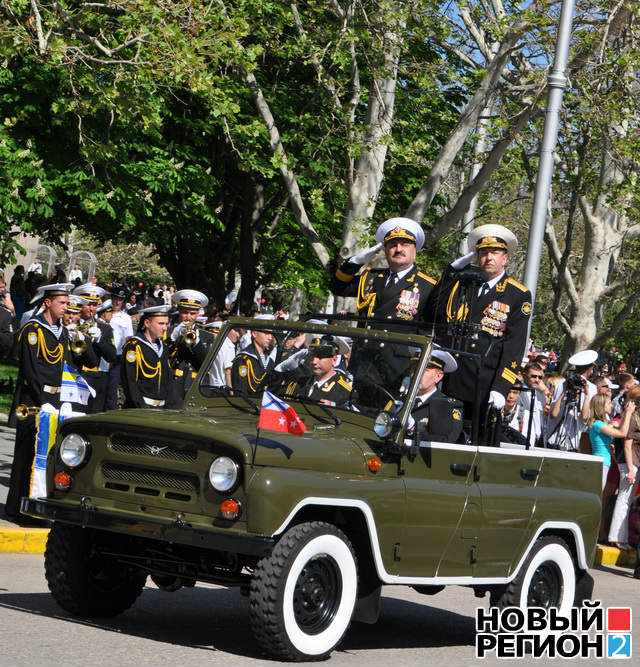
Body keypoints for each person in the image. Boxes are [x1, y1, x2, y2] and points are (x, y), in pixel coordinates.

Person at [426, 224, 532, 412]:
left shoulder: (517, 294)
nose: (488, 258)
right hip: (449, 377)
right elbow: (433, 310)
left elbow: (513, 347)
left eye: (494, 253)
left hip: (483, 383)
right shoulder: (465, 284)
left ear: (505, 258)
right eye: (483, 253)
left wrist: (501, 387)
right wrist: (450, 273)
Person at [4, 283, 74, 524]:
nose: (66, 307)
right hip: (34, 401)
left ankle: (36, 506)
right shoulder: (33, 330)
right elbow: (32, 370)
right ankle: (16, 507)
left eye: (67, 303)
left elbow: (66, 366)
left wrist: (64, 399)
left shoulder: (61, 332)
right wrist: (45, 400)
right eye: (62, 303)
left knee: (47, 457)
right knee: (26, 455)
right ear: (48, 303)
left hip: (54, 400)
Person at [330, 217, 436, 324]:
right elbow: (338, 288)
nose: (398, 249)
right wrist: (354, 262)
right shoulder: (371, 277)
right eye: (393, 245)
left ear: (414, 251)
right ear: (385, 252)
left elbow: (429, 328)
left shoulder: (429, 286)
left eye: (405, 244)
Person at [120, 305, 174, 408]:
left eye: (166, 324)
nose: (165, 328)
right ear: (147, 323)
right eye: (161, 323)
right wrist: (140, 406)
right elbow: (129, 381)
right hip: (141, 407)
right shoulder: (134, 346)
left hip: (161, 407)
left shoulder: (164, 347)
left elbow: (168, 381)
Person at [74, 284, 117, 413]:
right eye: (88, 304)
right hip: (76, 375)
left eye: (94, 304)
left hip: (96, 378)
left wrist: (99, 340)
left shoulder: (104, 328)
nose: (92, 308)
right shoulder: (72, 324)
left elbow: (111, 356)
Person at [608, 385, 640, 551]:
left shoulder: (634, 418)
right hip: (629, 463)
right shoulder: (633, 419)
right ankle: (617, 537)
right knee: (624, 500)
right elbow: (627, 445)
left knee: (626, 500)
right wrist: (631, 469)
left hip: (633, 462)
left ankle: (620, 537)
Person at [281, 336, 353, 407]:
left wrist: (335, 406)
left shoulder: (345, 390)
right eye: (312, 356)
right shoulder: (299, 382)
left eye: (320, 357)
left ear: (334, 360)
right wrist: (281, 368)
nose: (314, 361)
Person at [409, 349, 463, 443]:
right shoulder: (400, 400)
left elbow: (445, 440)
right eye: (414, 367)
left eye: (424, 370)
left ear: (438, 376)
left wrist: (413, 428)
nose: (415, 373)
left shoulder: (448, 406)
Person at [548, 349, 598, 451]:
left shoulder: (561, 384)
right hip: (560, 438)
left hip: (571, 441)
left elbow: (584, 417)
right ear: (590, 368)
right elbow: (553, 414)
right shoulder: (564, 385)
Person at [168, 289, 210, 399]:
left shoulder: (206, 336)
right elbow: (162, 357)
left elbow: (207, 363)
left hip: (194, 386)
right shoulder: (169, 332)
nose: (188, 317)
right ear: (179, 312)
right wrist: (173, 338)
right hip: (173, 385)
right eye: (185, 312)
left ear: (197, 315)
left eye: (192, 313)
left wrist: (196, 342)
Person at [588, 393, 634, 489]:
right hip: (600, 463)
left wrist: (624, 414)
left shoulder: (602, 424)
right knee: (598, 492)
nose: (612, 405)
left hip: (604, 463)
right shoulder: (598, 425)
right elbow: (623, 433)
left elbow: (621, 428)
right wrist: (629, 412)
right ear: (601, 406)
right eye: (609, 403)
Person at [105, 286, 133, 409]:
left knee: (112, 390)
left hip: (117, 357)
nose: (117, 302)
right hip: (102, 355)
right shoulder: (104, 312)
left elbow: (128, 338)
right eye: (115, 298)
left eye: (120, 300)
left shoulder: (126, 318)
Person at [231, 326, 276, 396]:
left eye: (271, 334)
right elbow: (240, 390)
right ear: (254, 333)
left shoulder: (269, 359)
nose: (270, 338)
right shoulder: (243, 359)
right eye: (266, 333)